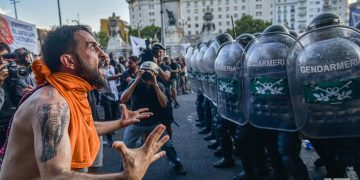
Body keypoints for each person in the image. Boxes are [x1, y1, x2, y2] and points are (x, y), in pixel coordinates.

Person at [0, 25, 169, 179]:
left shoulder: (69, 92)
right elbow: (55, 176)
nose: (103, 56)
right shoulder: (50, 103)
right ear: (69, 61)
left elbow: (81, 126)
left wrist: (121, 122)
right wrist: (125, 177)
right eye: (92, 48)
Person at [120, 61, 186, 175]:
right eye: (144, 72)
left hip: (154, 123)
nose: (147, 75)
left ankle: (176, 162)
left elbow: (164, 104)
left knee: (167, 144)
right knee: (126, 146)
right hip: (136, 122)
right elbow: (123, 99)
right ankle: (125, 169)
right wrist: (136, 80)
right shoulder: (135, 83)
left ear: (155, 74)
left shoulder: (159, 85)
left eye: (150, 73)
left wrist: (155, 85)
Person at [101, 53, 122, 146]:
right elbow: (109, 78)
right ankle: (109, 138)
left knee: (115, 115)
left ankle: (111, 129)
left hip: (115, 96)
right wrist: (122, 74)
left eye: (107, 57)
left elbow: (115, 82)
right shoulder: (101, 70)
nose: (106, 59)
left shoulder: (112, 68)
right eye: (104, 58)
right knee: (108, 117)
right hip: (106, 96)